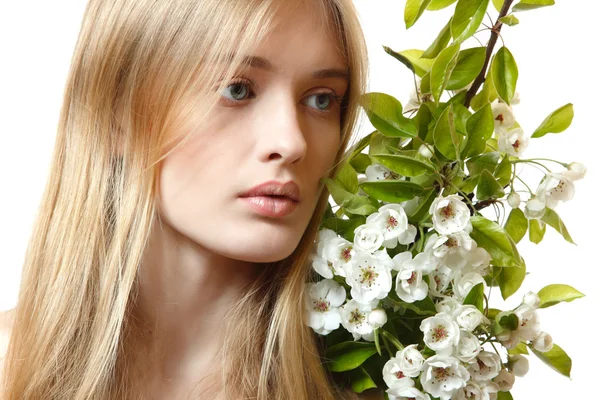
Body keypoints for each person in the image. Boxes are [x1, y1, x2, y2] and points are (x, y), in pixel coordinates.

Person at [0, 0, 385, 399]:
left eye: (321, 99)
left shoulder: (382, 381)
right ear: (118, 112)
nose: (291, 142)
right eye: (237, 89)